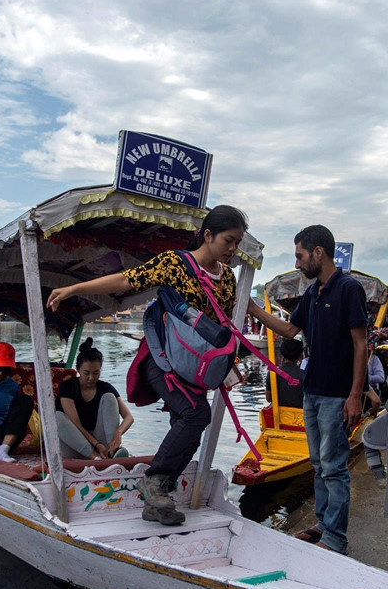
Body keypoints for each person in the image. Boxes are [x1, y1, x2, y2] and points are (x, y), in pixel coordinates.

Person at [46, 205, 248, 526]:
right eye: (229, 240)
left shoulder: (227, 280)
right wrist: (74, 288)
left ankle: (157, 502)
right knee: (196, 414)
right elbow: (125, 280)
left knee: (190, 430)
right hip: (161, 360)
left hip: (193, 369)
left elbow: (222, 323)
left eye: (238, 242)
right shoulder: (174, 263)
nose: (233, 248)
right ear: (208, 235)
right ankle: (154, 481)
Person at [247, 225, 374, 555]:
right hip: (313, 391)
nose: (297, 263)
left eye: (300, 255)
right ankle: (322, 524)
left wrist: (355, 395)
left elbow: (361, 345)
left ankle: (336, 537)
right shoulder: (314, 292)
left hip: (337, 394)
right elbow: (290, 329)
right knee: (319, 463)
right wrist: (255, 311)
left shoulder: (348, 289)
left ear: (319, 252)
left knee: (334, 467)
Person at [55, 338, 134, 460]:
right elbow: (76, 423)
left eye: (96, 373)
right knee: (57, 417)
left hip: (102, 445)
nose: (91, 378)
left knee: (109, 397)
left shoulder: (105, 387)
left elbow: (129, 417)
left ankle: (112, 451)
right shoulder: (67, 387)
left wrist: (118, 433)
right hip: (76, 444)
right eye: (86, 373)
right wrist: (96, 444)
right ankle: (95, 457)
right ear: (78, 370)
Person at [265, 337, 305, 408]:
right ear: (300, 355)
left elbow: (269, 399)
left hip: (279, 413)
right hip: (300, 413)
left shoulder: (272, 374)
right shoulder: (304, 374)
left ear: (282, 353)